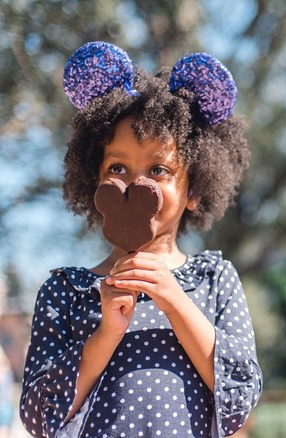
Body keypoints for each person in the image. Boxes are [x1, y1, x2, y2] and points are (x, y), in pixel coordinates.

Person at [19, 41, 262, 437]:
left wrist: (175, 301)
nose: (138, 183)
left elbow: (241, 395)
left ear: (195, 188)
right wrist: (106, 333)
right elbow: (38, 416)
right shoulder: (66, 291)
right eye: (118, 166)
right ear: (93, 180)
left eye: (160, 169)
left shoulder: (214, 280)